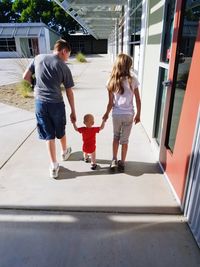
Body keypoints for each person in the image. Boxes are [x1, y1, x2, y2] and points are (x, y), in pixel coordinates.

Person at [23, 39, 76, 178]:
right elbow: (69, 91)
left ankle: (53, 165)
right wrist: (73, 111)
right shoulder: (64, 67)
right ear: (63, 51)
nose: (67, 58)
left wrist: (35, 85)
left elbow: (26, 77)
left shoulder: (38, 58)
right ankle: (64, 152)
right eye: (68, 55)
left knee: (48, 134)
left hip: (40, 103)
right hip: (56, 104)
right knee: (60, 129)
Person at [103, 53, 141, 171]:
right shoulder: (133, 80)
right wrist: (138, 114)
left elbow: (110, 103)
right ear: (129, 66)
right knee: (125, 140)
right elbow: (138, 100)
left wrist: (106, 114)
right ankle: (122, 162)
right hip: (129, 114)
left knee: (116, 137)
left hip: (116, 115)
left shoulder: (111, 81)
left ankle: (114, 159)